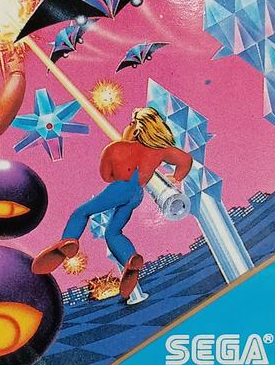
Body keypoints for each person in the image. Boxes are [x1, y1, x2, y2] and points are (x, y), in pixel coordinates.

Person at [32, 107, 193, 299]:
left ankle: (69, 241)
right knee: (113, 232)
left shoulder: (117, 148)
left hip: (121, 189)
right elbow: (186, 160)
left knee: (82, 212)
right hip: (136, 195)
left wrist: (122, 148)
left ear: (135, 127)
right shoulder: (160, 150)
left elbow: (107, 177)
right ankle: (130, 259)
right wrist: (176, 178)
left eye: (131, 123)